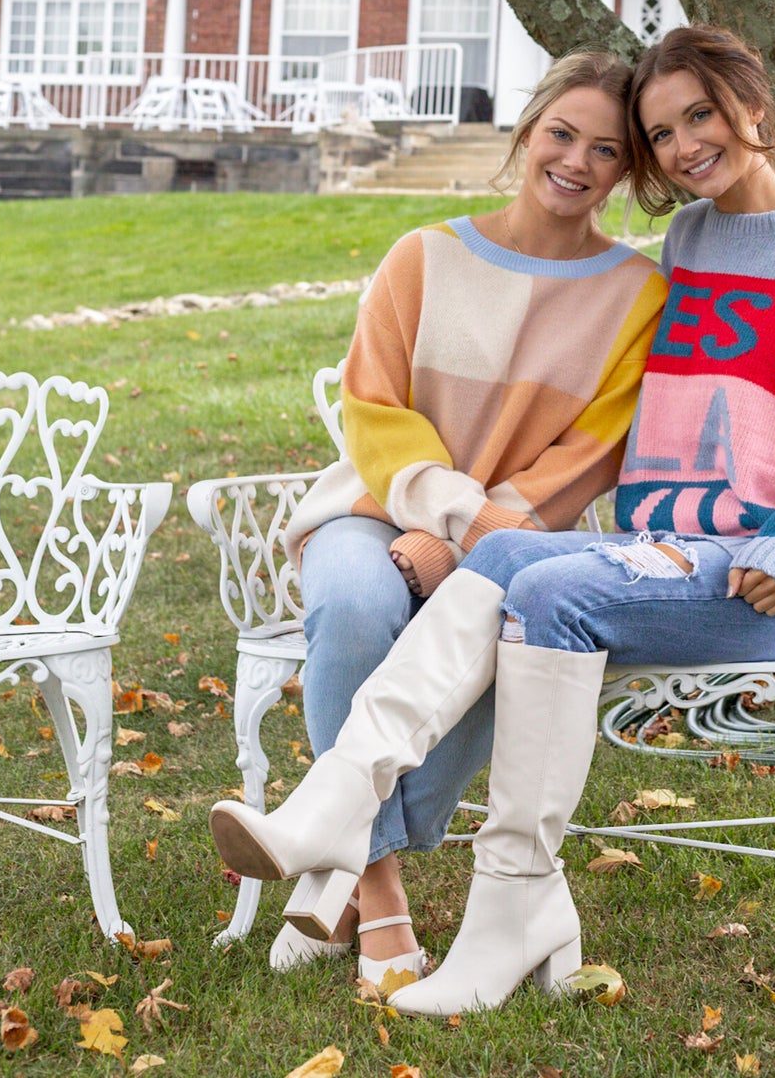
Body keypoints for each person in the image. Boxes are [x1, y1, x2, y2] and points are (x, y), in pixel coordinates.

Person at [212, 25, 775, 1014]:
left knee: (550, 587)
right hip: (673, 549)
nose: (684, 145)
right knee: (517, 558)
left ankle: (449, 869)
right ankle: (355, 816)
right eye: (663, 132)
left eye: (700, 117)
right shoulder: (691, 242)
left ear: (753, 106)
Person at [245, 49, 666, 983]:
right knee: (355, 606)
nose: (576, 161)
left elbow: (588, 455)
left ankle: (336, 873)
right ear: (528, 132)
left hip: (521, 537)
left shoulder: (638, 295)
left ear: (626, 170)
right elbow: (373, 414)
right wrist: (449, 521)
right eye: (562, 134)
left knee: (508, 632)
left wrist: (466, 543)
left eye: (605, 150)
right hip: (372, 508)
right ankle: (378, 887)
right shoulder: (423, 255)